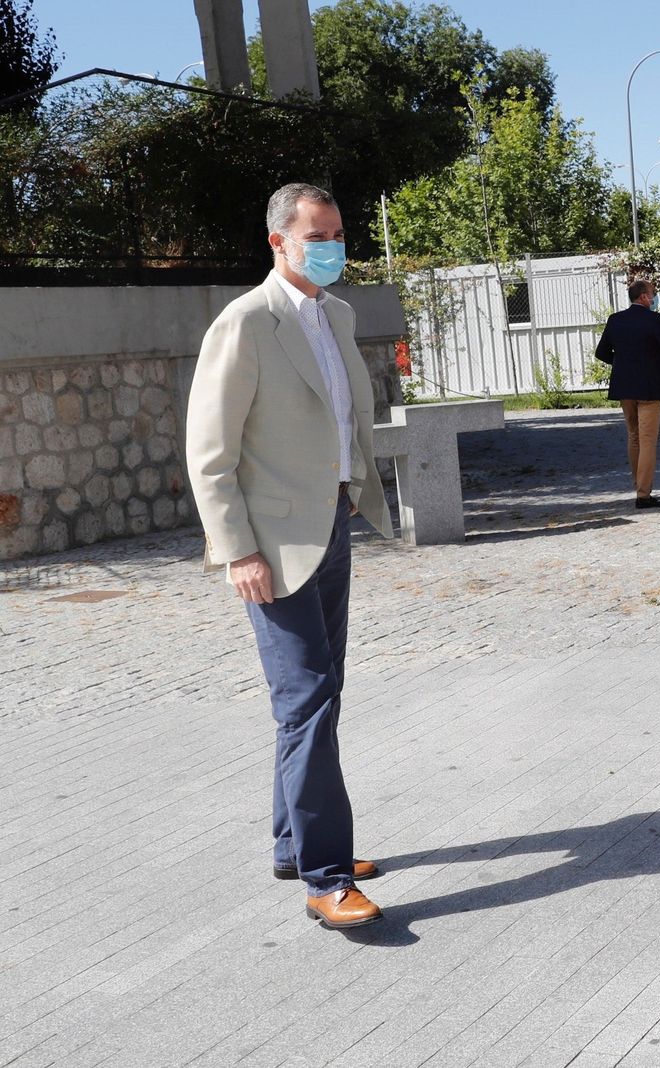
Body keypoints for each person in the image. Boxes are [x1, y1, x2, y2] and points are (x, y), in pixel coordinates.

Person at [185, 182, 394, 931]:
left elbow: (341, 420)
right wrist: (236, 550)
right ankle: (327, 878)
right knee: (305, 697)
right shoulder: (245, 323)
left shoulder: (336, 314)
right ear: (279, 241)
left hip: (331, 521)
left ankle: (290, 844)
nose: (334, 245)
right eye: (319, 234)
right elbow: (210, 454)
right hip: (270, 546)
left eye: (338, 232)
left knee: (319, 690)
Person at [596, 277, 660, 508]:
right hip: (650, 387)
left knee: (633, 436)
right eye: (652, 293)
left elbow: (601, 352)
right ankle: (643, 494)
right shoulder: (655, 320)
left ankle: (639, 485)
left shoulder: (615, 320)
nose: (654, 298)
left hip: (625, 387)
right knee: (647, 440)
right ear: (643, 297)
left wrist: (623, 363)